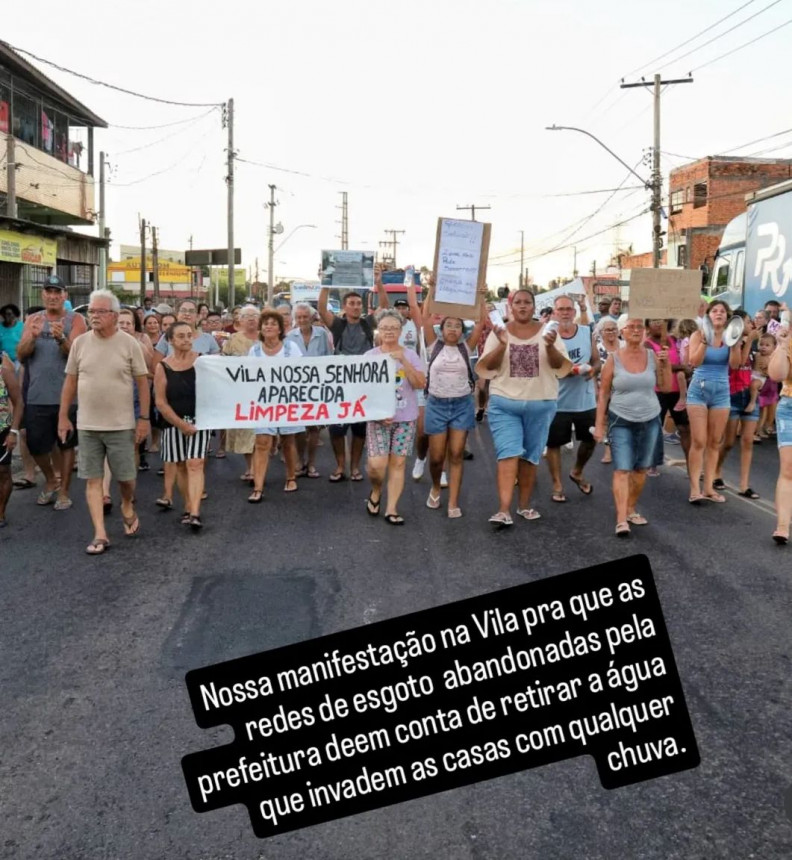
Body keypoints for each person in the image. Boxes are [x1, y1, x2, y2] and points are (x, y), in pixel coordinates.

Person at [59, 290, 149, 555]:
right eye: (91, 312)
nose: (94, 317)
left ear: (113, 315)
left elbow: (143, 382)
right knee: (92, 479)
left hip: (121, 424)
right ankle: (100, 533)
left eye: (99, 312)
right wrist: (63, 416)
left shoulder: (129, 343)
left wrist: (143, 418)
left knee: (126, 478)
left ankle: (127, 505)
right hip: (87, 425)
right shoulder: (80, 343)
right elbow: (71, 381)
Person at [476, 289, 572, 527]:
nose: (522, 306)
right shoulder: (499, 332)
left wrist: (549, 347)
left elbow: (561, 367)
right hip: (504, 403)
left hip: (541, 404)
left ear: (533, 306)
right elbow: (487, 367)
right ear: (511, 307)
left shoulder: (550, 332)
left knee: (530, 458)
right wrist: (501, 344)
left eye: (527, 303)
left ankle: (524, 506)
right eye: (517, 302)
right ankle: (503, 510)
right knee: (508, 455)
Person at [593, 318, 671, 537]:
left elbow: (665, 387)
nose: (636, 331)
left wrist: (666, 364)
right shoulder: (613, 359)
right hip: (621, 419)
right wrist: (599, 424)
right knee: (622, 468)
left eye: (639, 327)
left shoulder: (653, 356)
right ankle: (621, 519)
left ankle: (630, 508)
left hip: (650, 418)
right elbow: (604, 393)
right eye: (631, 327)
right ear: (622, 332)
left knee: (641, 469)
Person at [16, 274, 86, 510]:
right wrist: (33, 338)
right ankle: (50, 480)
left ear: (65, 296)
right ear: (43, 295)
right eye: (49, 292)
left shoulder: (76, 320)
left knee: (66, 445)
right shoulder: (34, 319)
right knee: (36, 444)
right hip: (37, 395)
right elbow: (21, 354)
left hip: (67, 397)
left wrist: (61, 338)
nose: (53, 296)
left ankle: (64, 491)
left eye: (58, 292)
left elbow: (76, 355)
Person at [318, 267, 389, 482]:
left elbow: (384, 306)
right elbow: (321, 309)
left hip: (364, 385)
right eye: (352, 303)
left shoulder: (368, 323)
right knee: (337, 429)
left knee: (359, 429)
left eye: (359, 303)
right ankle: (340, 465)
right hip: (340, 384)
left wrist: (379, 282)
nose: (356, 307)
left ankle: (355, 467)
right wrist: (326, 282)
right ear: (345, 307)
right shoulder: (337, 324)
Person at [421, 287, 486, 518]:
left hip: (461, 406)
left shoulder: (466, 347)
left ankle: (454, 502)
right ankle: (436, 486)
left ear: (461, 331)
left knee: (457, 454)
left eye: (457, 326)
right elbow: (425, 317)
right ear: (442, 329)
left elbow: (480, 323)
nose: (453, 329)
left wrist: (481, 295)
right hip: (436, 405)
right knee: (437, 458)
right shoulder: (433, 345)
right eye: (449, 325)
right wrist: (432, 289)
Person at [363, 309, 426, 524]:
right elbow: (361, 391)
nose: (389, 331)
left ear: (401, 331)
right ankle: (376, 490)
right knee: (377, 465)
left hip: (405, 418)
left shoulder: (410, 354)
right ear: (378, 330)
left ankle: (392, 508)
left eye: (393, 328)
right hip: (378, 419)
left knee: (398, 463)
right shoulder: (370, 357)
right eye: (385, 328)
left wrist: (404, 362)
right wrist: (377, 415)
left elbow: (420, 384)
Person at [153, 322, 211, 530]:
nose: (186, 340)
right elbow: (160, 401)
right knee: (180, 465)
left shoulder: (203, 361)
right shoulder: (163, 366)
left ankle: (195, 511)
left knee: (195, 463)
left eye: (189, 335)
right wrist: (180, 424)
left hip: (199, 421)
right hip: (173, 423)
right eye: (181, 336)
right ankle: (188, 505)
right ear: (170, 340)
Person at [686, 300, 744, 504]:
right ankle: (695, 488)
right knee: (699, 440)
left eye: (722, 311)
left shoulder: (731, 338)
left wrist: (735, 346)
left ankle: (708, 487)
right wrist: (704, 342)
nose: (718, 314)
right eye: (714, 311)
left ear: (727, 317)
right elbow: (693, 362)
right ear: (708, 315)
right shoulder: (697, 334)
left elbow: (735, 366)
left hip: (721, 392)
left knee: (714, 442)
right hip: (698, 391)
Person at [544, 294, 601, 502]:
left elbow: (596, 361)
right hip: (557, 400)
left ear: (574, 312)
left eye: (569, 309)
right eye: (561, 309)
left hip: (585, 400)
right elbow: (547, 366)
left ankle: (576, 471)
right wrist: (572, 371)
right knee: (554, 444)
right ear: (554, 312)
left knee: (590, 440)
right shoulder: (549, 336)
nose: (565, 313)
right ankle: (557, 484)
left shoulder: (586, 333)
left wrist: (594, 371)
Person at [247, 310, 304, 503]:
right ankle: (258, 487)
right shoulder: (254, 351)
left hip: (287, 400)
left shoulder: (291, 348)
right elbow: (248, 376)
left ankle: (290, 477)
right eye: (265, 323)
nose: (268, 326)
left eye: (273, 323)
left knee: (288, 441)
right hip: (263, 402)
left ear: (280, 328)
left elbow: (302, 373)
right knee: (262, 442)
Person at [713, 311, 761, 499]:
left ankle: (744, 484)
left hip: (748, 394)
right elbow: (738, 363)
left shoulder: (753, 346)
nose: (752, 325)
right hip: (732, 395)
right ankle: (716, 470)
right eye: (749, 322)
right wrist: (748, 341)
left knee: (748, 440)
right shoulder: (730, 343)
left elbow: (753, 368)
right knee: (729, 441)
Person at [286, 302, 333, 478]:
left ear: (312, 317)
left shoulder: (322, 334)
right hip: (297, 388)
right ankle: (299, 460)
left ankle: (311, 463)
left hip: (317, 387)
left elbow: (329, 358)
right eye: (299, 317)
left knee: (314, 428)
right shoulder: (289, 337)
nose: (302, 320)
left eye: (305, 316)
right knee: (299, 427)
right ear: (294, 319)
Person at [645, 319, 691, 473]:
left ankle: (691, 462)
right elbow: (653, 367)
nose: (658, 324)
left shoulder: (674, 341)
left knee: (684, 428)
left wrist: (685, 369)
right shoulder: (647, 344)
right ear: (648, 325)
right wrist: (679, 367)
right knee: (655, 428)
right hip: (657, 392)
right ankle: (652, 463)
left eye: (662, 321)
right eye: (654, 321)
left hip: (678, 392)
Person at [221, 306, 260, 483]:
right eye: (247, 316)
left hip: (263, 394)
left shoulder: (267, 337)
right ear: (240, 320)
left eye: (254, 316)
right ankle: (250, 467)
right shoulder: (233, 340)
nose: (251, 319)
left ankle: (256, 470)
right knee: (245, 432)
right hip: (240, 395)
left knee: (259, 434)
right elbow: (223, 364)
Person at [767, 320, 792, 543]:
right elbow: (776, 375)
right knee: (789, 468)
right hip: (790, 407)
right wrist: (782, 345)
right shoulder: (788, 339)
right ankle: (783, 526)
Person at [0, 349, 23, 527]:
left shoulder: (4, 371)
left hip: (2, 430)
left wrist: (13, 432)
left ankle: (1, 513)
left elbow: (18, 402)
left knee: (3, 472)